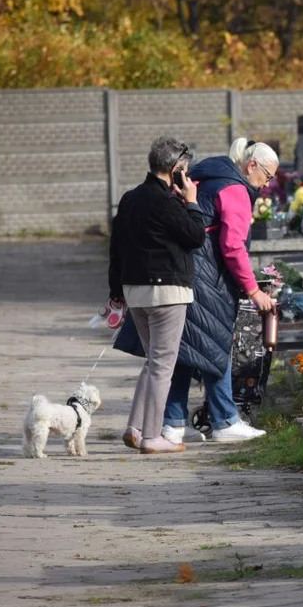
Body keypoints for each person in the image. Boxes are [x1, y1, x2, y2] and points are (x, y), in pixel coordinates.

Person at [159, 139, 278, 443]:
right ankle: (225, 420)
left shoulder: (208, 176)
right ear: (251, 165)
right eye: (267, 176)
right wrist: (253, 290)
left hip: (184, 268)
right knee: (216, 343)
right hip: (207, 276)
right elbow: (232, 246)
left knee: (187, 349)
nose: (266, 185)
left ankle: (172, 423)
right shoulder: (235, 190)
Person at [109, 136, 206, 455]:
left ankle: (135, 428)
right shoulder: (165, 201)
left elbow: (116, 246)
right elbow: (195, 237)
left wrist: (116, 290)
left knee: (153, 363)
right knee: (164, 364)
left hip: (135, 290)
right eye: (186, 167)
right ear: (176, 168)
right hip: (167, 291)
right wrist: (191, 202)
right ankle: (152, 436)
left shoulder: (130, 198)